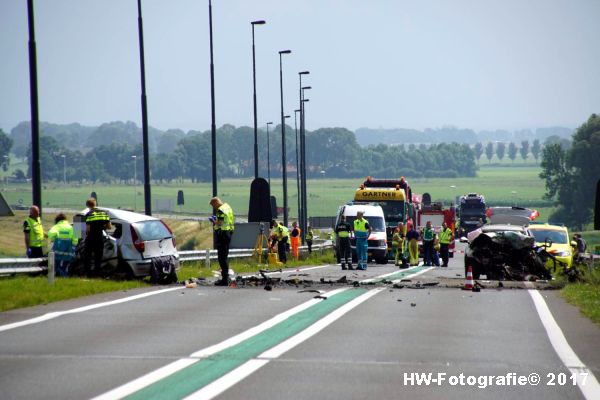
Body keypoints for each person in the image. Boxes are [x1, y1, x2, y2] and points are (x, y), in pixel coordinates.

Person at [209, 196, 235, 286]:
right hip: (229, 233)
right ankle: (226, 278)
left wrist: (213, 220)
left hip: (223, 234)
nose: (214, 208)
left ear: (216, 202)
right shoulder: (227, 207)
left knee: (221, 257)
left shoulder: (220, 210)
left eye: (213, 206)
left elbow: (220, 223)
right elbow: (228, 220)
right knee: (225, 256)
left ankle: (225, 279)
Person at [84, 198, 111, 277]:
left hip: (90, 239)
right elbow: (109, 227)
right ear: (95, 204)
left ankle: (88, 274)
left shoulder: (89, 214)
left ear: (87, 205)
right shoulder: (104, 214)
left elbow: (87, 230)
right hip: (100, 238)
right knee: (98, 257)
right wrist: (102, 227)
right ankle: (97, 274)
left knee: (87, 257)